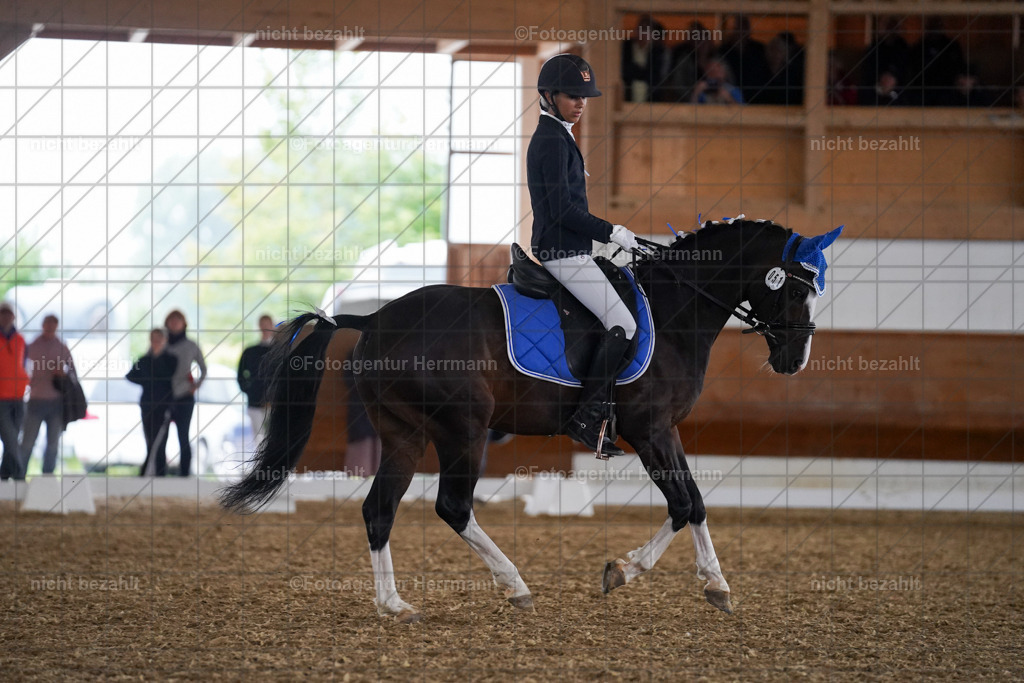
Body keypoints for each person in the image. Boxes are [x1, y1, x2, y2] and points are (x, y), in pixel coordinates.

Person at [528, 53, 639, 456]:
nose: (580, 103)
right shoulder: (551, 141)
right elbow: (562, 211)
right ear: (548, 95)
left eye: (584, 97)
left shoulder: (561, 136)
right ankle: (587, 417)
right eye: (572, 96)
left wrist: (605, 243)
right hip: (561, 253)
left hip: (573, 249)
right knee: (623, 325)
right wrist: (612, 231)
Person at [20, 315, 74, 475]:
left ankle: (47, 478)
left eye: (53, 324)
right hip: (35, 400)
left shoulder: (62, 347)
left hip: (55, 403)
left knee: (52, 444)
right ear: (43, 325)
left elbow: (73, 374)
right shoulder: (32, 346)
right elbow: (22, 369)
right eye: (47, 323)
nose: (49, 327)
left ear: (56, 326)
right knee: (27, 442)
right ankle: (19, 477)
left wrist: (62, 373)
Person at [126, 328, 177, 476]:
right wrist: (147, 382)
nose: (156, 342)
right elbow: (130, 375)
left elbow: (169, 378)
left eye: (159, 339)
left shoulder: (170, 359)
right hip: (147, 404)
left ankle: (156, 473)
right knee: (150, 440)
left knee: (160, 441)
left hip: (164, 405)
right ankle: (149, 474)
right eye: (153, 339)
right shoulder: (144, 360)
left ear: (165, 340)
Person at [163, 310, 206, 476]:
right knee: (161, 437)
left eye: (178, 320)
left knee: (183, 436)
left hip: (184, 397)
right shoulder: (162, 343)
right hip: (164, 396)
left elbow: (203, 368)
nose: (174, 323)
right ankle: (159, 473)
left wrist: (195, 386)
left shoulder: (191, 345)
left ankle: (185, 474)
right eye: (171, 320)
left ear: (184, 323)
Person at [0, 302, 29, 480]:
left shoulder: (20, 340)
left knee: (13, 440)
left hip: (18, 397)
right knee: (10, 440)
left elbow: (25, 365)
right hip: (1, 398)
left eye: (8, 313)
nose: (5, 316)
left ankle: (3, 475)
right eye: (2, 313)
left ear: (13, 316)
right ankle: (20, 477)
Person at [237, 314, 275, 441]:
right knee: (259, 440)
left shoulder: (281, 350)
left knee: (273, 440)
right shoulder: (250, 352)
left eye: (267, 324)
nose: (265, 328)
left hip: (275, 404)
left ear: (273, 325)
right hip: (255, 403)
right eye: (262, 324)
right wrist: (250, 390)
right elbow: (241, 375)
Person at [719, 14, 770, 104]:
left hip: (758, 101)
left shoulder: (759, 49)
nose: (741, 31)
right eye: (738, 27)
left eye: (745, 26)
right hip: (731, 101)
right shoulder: (723, 51)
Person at [621, 14, 668, 102]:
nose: (643, 33)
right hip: (627, 99)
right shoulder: (626, 47)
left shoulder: (658, 51)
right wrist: (644, 72)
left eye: (646, 30)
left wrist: (636, 70)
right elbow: (624, 71)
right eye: (641, 29)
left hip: (650, 101)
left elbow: (655, 76)